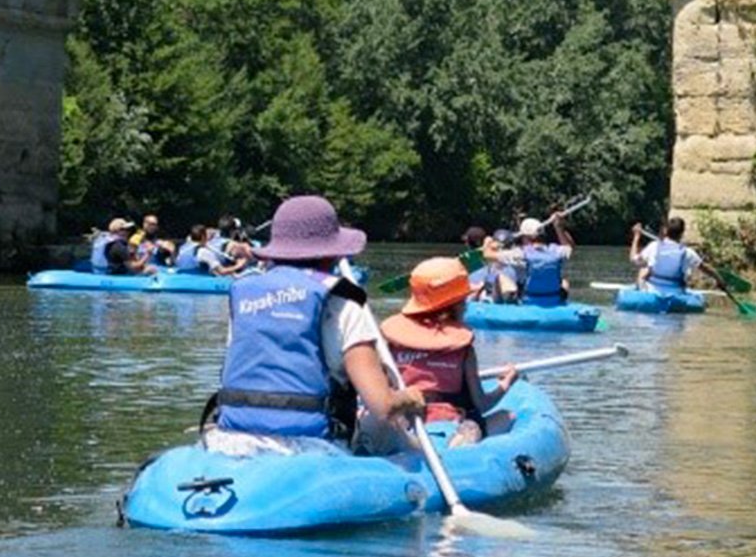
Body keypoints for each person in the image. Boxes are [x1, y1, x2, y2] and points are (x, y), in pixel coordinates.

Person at [203, 194, 424, 455]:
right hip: (312, 445)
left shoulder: (244, 294)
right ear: (332, 254)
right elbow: (382, 406)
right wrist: (410, 398)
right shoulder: (344, 302)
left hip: (231, 438)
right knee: (395, 428)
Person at [379, 257, 517, 448]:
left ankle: (398, 442)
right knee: (507, 416)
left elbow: (381, 393)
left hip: (404, 420)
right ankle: (458, 446)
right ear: (457, 304)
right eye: (464, 300)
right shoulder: (463, 348)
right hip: (446, 423)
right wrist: (506, 383)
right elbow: (481, 404)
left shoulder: (391, 342)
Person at [629, 217, 722, 292]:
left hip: (652, 292)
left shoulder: (654, 246)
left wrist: (636, 237)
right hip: (676, 293)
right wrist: (719, 280)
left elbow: (633, 258)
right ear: (682, 234)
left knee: (644, 269)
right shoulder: (687, 252)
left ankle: (640, 291)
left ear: (666, 231)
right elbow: (706, 268)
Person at [516, 211, 574, 305]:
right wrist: (558, 227)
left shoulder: (521, 253)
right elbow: (569, 247)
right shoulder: (556, 251)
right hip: (554, 299)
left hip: (529, 300)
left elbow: (490, 255)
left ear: (525, 237)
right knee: (564, 281)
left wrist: (490, 244)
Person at [175, 224, 249, 277]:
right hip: (197, 277)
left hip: (181, 276)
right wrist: (239, 265)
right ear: (203, 236)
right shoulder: (204, 252)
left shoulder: (183, 247)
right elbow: (222, 271)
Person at [89, 217, 157, 275]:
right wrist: (148, 254)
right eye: (125, 229)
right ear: (118, 231)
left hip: (113, 272)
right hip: (120, 275)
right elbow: (133, 267)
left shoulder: (111, 242)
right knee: (151, 269)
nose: (128, 232)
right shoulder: (119, 247)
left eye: (128, 230)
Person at [481, 227, 526, 303]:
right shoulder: (515, 253)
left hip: (511, 295)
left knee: (502, 277)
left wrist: (487, 243)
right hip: (495, 294)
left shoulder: (514, 255)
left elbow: (486, 254)